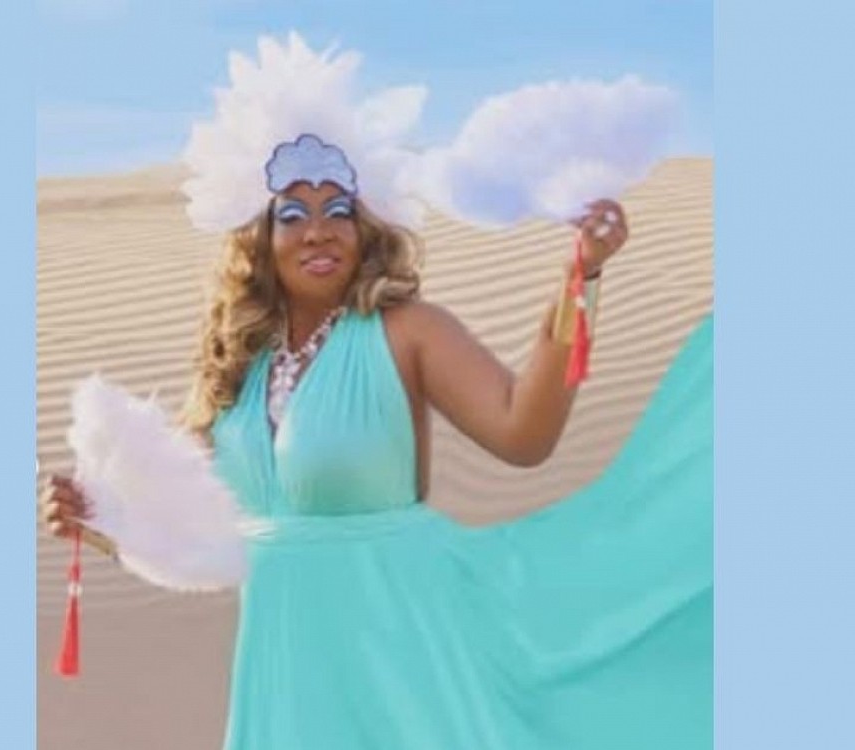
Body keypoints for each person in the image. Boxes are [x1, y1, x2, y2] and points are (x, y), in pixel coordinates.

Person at [41, 34, 712, 750]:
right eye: (291, 215)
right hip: (285, 665)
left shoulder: (406, 331)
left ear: (366, 229)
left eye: (339, 210)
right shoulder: (236, 367)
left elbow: (524, 433)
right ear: (257, 238)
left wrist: (582, 278)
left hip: (405, 658)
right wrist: (96, 519)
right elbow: (196, 539)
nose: (318, 231)